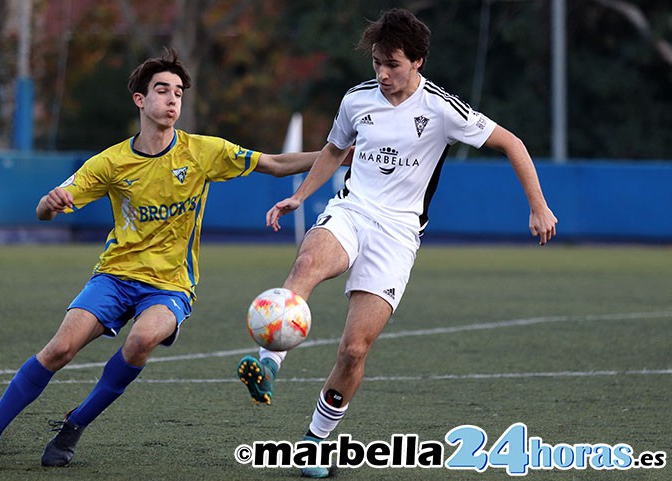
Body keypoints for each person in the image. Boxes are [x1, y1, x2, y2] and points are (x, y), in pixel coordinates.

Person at [0, 48, 318, 468]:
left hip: (170, 285)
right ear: (140, 100)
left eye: (178, 92)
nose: (172, 99)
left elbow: (275, 163)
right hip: (114, 276)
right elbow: (43, 209)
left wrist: (338, 153)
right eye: (162, 90)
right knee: (59, 350)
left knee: (142, 341)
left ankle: (74, 426)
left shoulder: (202, 151)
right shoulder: (110, 161)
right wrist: (50, 205)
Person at [237, 8, 558, 478]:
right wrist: (300, 197)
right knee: (307, 262)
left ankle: (316, 443)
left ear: (419, 62)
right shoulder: (357, 100)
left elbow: (513, 142)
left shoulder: (443, 111)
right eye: (376, 63)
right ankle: (268, 364)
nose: (383, 74)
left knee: (354, 350)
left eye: (393, 64)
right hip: (352, 211)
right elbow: (332, 151)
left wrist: (539, 206)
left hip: (398, 235)